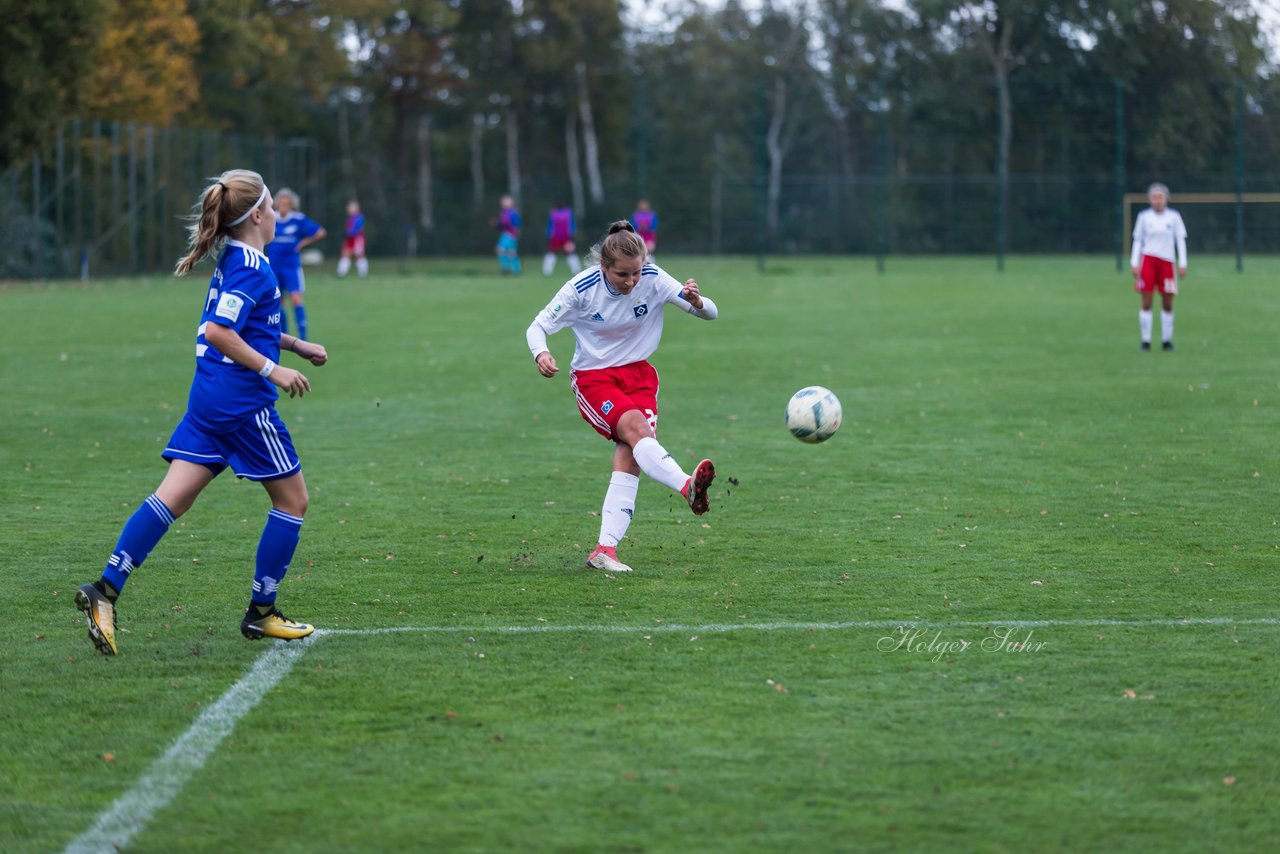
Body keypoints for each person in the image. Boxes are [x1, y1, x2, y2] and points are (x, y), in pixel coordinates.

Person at [74, 169, 329, 656]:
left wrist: (295, 344)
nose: (276, 216)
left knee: (171, 499)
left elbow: (244, 327)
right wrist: (275, 371)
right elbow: (218, 331)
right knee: (293, 502)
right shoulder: (253, 266)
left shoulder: (236, 259)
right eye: (272, 208)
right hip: (241, 406)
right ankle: (261, 614)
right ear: (257, 216)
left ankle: (103, 592)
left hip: (208, 400)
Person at [525, 221, 718, 574]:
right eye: (622, 275)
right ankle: (687, 486)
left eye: (636, 272)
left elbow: (710, 313)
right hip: (594, 379)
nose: (631, 281)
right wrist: (541, 353)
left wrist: (697, 301)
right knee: (635, 430)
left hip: (640, 377)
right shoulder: (580, 288)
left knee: (631, 456)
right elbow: (537, 326)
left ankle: (605, 551)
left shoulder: (654, 277)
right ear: (603, 268)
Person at [1130, 182, 1188, 352]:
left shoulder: (1174, 217)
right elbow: (1138, 240)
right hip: (1148, 260)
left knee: (1168, 302)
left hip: (1167, 262)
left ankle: (1166, 340)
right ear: (1149, 199)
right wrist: (1134, 262)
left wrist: (1182, 263)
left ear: (1166, 199)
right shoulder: (1144, 217)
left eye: (1160, 197)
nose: (1157, 200)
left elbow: (1180, 240)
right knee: (1147, 301)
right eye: (1154, 197)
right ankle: (1146, 341)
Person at [266, 188, 326, 340]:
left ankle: (303, 336)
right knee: (278, 301)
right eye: (281, 203)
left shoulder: (298, 219)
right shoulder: (271, 218)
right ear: (276, 204)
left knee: (296, 298)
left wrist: (303, 243)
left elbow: (320, 232)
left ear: (292, 205)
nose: (284, 206)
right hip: (274, 266)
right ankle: (283, 335)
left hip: (291, 266)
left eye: (287, 203)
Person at [542, 201, 582, 277]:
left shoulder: (553, 213)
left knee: (552, 253)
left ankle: (547, 271)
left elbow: (549, 225)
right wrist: (573, 234)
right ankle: (576, 270)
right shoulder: (568, 212)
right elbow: (572, 225)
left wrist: (548, 235)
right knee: (570, 253)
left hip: (555, 237)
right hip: (566, 237)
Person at [336, 199, 368, 279]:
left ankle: (363, 273)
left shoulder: (359, 217)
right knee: (345, 254)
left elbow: (357, 229)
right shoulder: (350, 218)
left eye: (351, 207)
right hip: (350, 239)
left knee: (359, 256)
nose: (349, 209)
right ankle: (341, 272)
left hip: (357, 239)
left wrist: (348, 234)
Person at [493, 194, 522, 275]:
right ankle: (513, 269)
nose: (504, 203)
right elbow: (502, 225)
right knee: (509, 252)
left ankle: (509, 268)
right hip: (505, 234)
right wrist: (497, 224)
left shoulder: (513, 213)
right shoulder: (503, 213)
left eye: (506, 201)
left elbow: (516, 224)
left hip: (510, 235)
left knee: (502, 250)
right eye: (503, 201)